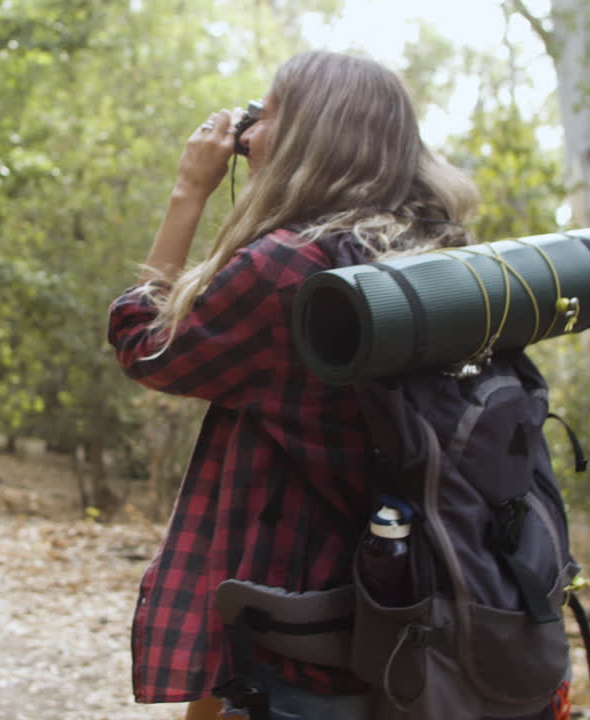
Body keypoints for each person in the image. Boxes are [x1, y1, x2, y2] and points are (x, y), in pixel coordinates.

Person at [107, 50, 488, 719]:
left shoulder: (292, 269)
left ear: (312, 135)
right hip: (396, 610)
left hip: (293, 628)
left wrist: (188, 192)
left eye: (267, 115)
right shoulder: (430, 256)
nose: (248, 137)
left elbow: (146, 346)